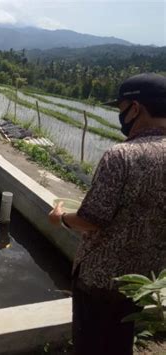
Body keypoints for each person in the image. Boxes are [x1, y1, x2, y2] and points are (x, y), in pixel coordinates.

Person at [48, 73, 166, 355]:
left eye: (121, 108)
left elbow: (91, 219)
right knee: (119, 339)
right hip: (143, 279)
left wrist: (60, 218)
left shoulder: (122, 156)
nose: (121, 116)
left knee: (91, 344)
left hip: (101, 281)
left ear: (135, 108)